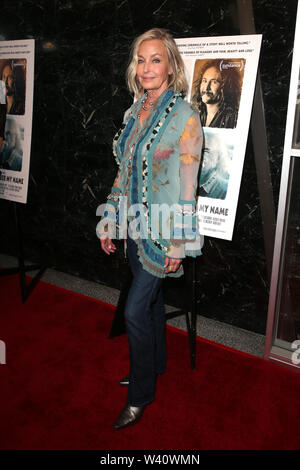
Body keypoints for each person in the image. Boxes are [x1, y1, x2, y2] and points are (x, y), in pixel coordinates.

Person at [96, 28, 203, 429]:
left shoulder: (186, 117)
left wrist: (179, 245)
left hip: (164, 233)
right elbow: (124, 173)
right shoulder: (134, 111)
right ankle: (154, 365)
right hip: (135, 228)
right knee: (153, 305)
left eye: (155, 59)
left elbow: (188, 189)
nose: (146, 68)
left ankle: (140, 394)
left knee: (136, 311)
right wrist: (109, 219)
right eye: (141, 59)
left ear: (172, 66)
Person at [191, 59, 241, 128]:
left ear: (225, 86)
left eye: (214, 82)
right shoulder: (196, 115)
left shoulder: (233, 119)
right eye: (204, 81)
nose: (206, 87)